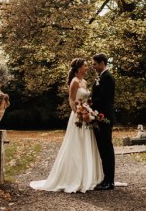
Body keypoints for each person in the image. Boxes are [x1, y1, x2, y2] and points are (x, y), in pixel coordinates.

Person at [29, 58, 103, 193]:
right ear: (78, 68)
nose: (87, 68)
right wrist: (78, 114)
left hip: (86, 116)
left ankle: (88, 176)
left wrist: (89, 112)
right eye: (85, 66)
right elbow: (71, 100)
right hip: (77, 117)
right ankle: (73, 178)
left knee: (87, 144)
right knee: (76, 145)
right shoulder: (74, 82)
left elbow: (86, 100)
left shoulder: (85, 82)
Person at [91, 53, 116, 190]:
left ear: (102, 63)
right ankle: (106, 179)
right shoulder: (101, 77)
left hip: (104, 117)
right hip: (99, 117)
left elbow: (104, 99)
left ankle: (109, 181)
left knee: (106, 149)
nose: (93, 66)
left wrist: (89, 105)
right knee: (103, 149)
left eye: (95, 64)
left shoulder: (107, 78)